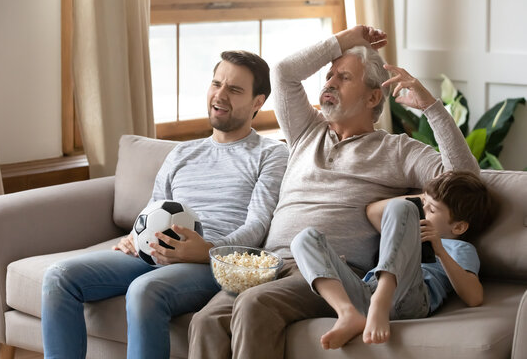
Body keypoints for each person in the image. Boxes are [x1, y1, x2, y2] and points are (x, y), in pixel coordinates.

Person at [188, 25, 480, 359]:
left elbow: (465, 180)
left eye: (343, 78)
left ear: (372, 97)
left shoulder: (396, 150)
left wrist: (430, 107)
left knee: (255, 305)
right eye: (329, 75)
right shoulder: (306, 130)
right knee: (206, 320)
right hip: (266, 264)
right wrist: (344, 40)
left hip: (330, 271)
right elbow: (284, 73)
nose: (328, 83)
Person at [41, 50, 289, 359]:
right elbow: (152, 208)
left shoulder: (271, 154)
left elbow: (258, 223)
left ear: (257, 102)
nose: (220, 95)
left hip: (211, 263)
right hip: (154, 251)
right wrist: (134, 237)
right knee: (59, 276)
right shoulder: (183, 153)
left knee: (145, 291)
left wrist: (209, 249)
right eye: (216, 84)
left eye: (235, 89)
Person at [291, 171, 495, 350]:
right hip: (367, 292)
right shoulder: (404, 228)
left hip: (408, 299)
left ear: (458, 228)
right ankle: (347, 313)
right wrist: (425, 198)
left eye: (431, 210)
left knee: (403, 208)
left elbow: (474, 297)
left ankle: (381, 301)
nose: (422, 211)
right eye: (423, 204)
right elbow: (372, 211)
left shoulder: (461, 248)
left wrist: (439, 250)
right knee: (304, 239)